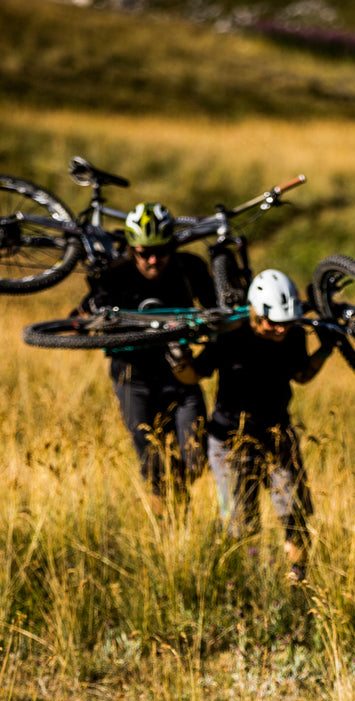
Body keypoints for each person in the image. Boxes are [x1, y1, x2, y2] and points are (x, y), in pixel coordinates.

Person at [77, 201, 220, 506]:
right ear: (132, 249)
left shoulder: (189, 268)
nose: (153, 260)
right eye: (144, 253)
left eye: (161, 251)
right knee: (152, 463)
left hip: (180, 375)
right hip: (133, 379)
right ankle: (166, 522)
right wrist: (80, 325)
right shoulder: (115, 274)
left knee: (196, 459)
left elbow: (216, 312)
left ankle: (177, 491)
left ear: (172, 246)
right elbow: (82, 314)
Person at [198, 268, 332, 583]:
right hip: (230, 440)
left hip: (277, 434)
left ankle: (298, 579)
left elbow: (302, 374)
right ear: (255, 312)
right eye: (272, 323)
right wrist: (177, 359)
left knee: (295, 514)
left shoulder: (293, 336)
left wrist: (326, 348)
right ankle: (231, 583)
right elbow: (194, 373)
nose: (279, 330)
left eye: (286, 324)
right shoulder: (229, 336)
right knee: (241, 526)